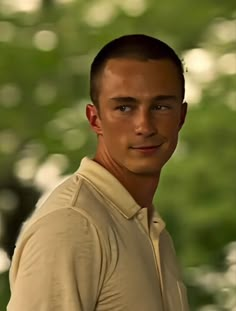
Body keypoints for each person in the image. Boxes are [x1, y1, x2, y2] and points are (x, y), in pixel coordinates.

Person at [7, 34, 189, 311]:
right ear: (95, 119)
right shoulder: (71, 226)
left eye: (161, 106)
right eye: (124, 107)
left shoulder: (150, 227)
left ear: (182, 116)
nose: (144, 125)